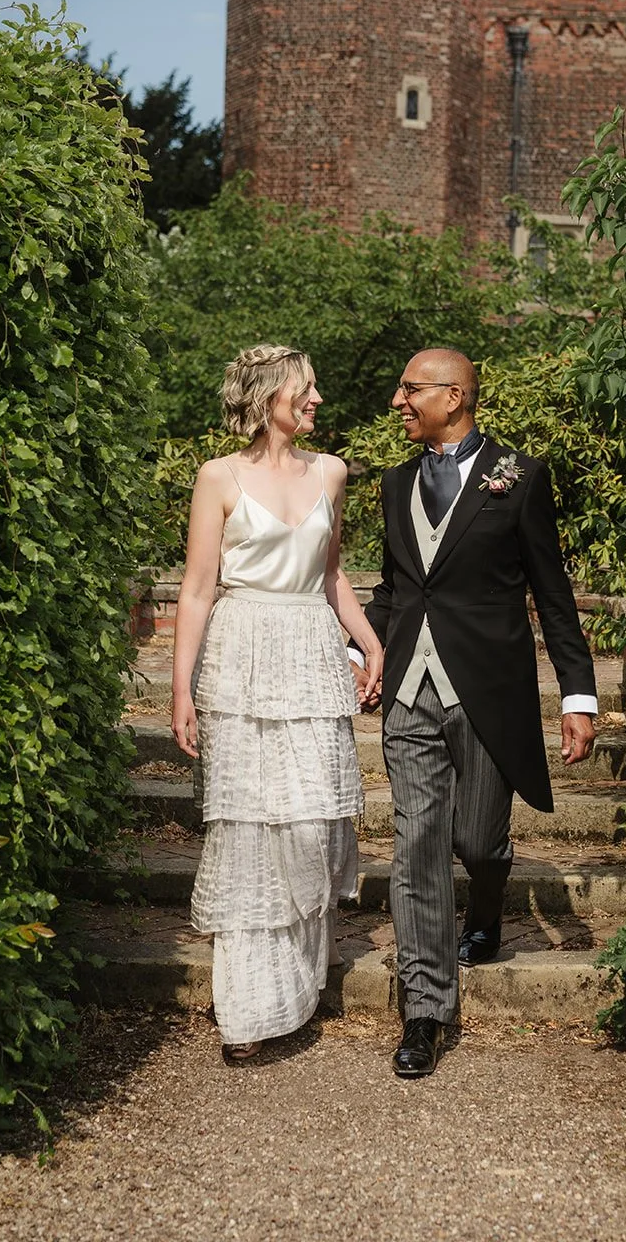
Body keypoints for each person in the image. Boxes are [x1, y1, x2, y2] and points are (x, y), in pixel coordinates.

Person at [358, 347, 598, 1078]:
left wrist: (578, 696)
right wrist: (357, 653)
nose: (398, 400)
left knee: (478, 843)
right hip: (409, 689)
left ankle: (486, 908)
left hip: (489, 690)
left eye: (410, 388)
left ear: (454, 395)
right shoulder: (394, 483)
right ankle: (425, 1010)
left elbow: (552, 594)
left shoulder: (518, 478)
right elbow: (396, 588)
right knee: (417, 845)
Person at [171, 345, 383, 1062]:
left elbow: (330, 577)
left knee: (310, 822)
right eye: (306, 388)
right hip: (240, 654)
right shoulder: (218, 477)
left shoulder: (332, 473)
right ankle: (247, 1013)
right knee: (247, 828)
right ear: (269, 399)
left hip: (311, 652)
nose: (318, 398)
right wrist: (182, 688)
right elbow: (197, 590)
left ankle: (296, 986)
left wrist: (369, 643)